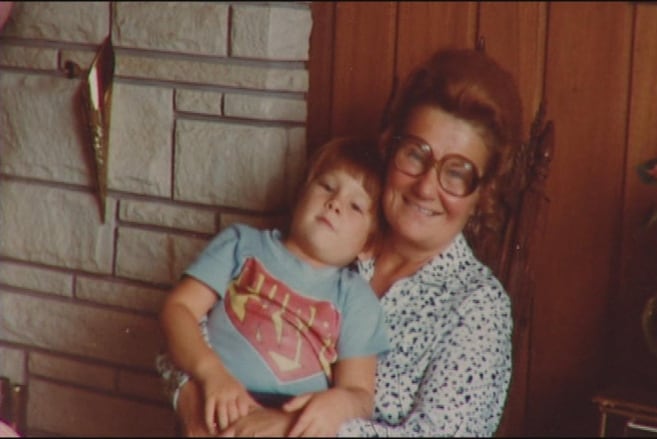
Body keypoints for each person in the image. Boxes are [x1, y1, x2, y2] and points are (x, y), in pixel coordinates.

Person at [158, 47, 521, 437]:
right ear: (390, 149)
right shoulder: (330, 233)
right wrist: (192, 401)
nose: (426, 187)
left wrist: (291, 430)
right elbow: (192, 326)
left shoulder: (478, 305)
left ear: (482, 195)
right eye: (416, 154)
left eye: (457, 173)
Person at [158, 136, 391, 436]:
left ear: (368, 245)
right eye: (327, 187)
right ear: (300, 196)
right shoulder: (241, 245)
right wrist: (210, 373)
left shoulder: (356, 298)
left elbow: (359, 394)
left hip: (292, 422)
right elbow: (178, 309)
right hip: (218, 396)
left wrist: (336, 405)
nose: (334, 204)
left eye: (356, 206)